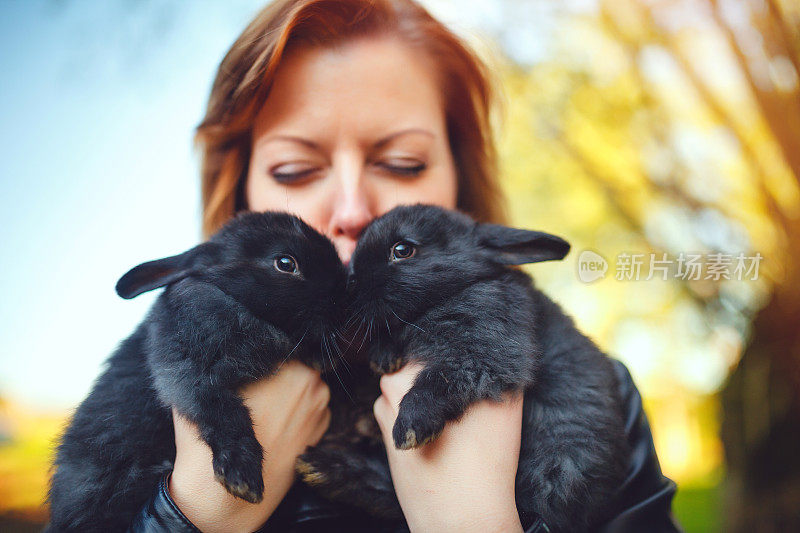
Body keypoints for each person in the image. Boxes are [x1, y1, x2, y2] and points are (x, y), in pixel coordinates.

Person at [130, 0, 680, 531]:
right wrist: (192, 515)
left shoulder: (597, 391)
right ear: (240, 195)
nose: (352, 211)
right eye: (295, 170)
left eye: (402, 164)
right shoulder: (155, 385)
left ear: (458, 184)